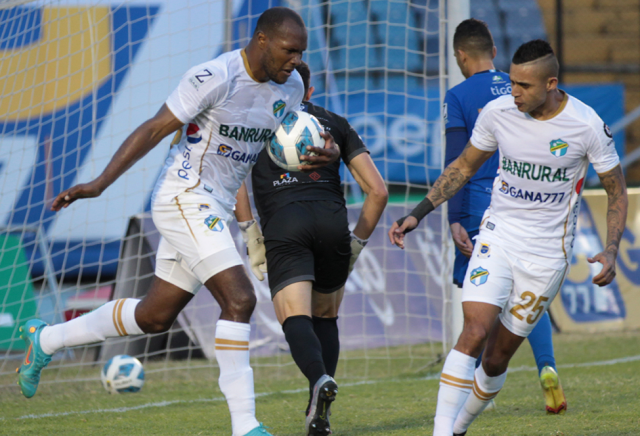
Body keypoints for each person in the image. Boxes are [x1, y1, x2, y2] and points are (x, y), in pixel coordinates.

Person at [18, 8, 339, 436]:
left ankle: (46, 340)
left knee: (154, 317)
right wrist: (98, 184)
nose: (296, 60)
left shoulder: (292, 86)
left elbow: (294, 139)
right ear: (261, 40)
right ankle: (245, 425)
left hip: (215, 207)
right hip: (182, 196)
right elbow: (154, 128)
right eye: (289, 50)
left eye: (301, 52)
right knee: (240, 299)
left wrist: (329, 153)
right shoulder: (215, 77)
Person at [389, 40, 627, 436]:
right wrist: (418, 213)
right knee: (474, 331)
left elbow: (616, 190)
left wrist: (612, 248)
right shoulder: (498, 112)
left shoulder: (586, 125)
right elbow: (463, 167)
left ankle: (459, 427)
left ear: (551, 84)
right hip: (498, 236)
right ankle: (441, 431)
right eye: (512, 82)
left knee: (496, 360)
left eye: (524, 86)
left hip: (546, 256)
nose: (514, 92)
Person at [235, 61, 388, 436]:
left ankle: (319, 378)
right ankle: (317, 410)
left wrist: (250, 233)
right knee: (326, 316)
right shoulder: (335, 123)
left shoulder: (256, 121)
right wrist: (356, 244)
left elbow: (234, 177)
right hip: (332, 224)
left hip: (286, 224)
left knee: (294, 317)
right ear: (310, 92)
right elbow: (378, 192)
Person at [445, 19, 565, 414]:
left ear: (460, 56)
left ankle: (477, 388)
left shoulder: (459, 95)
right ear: (495, 52)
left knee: (480, 301)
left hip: (482, 203)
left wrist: (454, 217)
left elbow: (457, 161)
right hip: (527, 202)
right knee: (525, 294)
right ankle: (546, 366)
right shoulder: (522, 88)